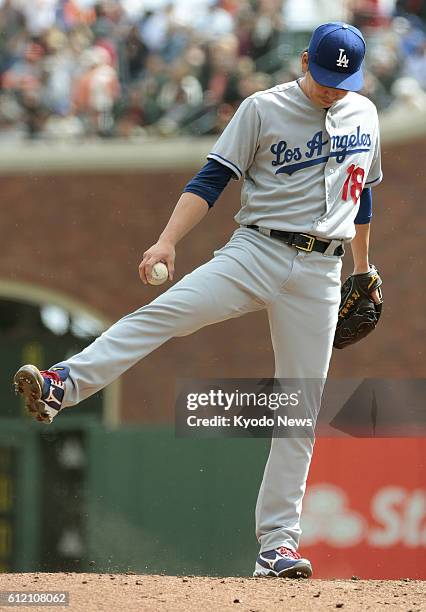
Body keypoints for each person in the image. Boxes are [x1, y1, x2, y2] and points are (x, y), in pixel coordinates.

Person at [14, 22, 382, 578]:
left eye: (343, 79)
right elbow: (212, 178)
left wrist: (364, 267)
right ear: (304, 60)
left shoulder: (365, 114)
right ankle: (61, 385)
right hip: (256, 249)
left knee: (301, 410)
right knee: (164, 315)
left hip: (322, 271)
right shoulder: (262, 108)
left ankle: (277, 547)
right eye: (325, 76)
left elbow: (363, 195)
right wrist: (166, 240)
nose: (333, 88)